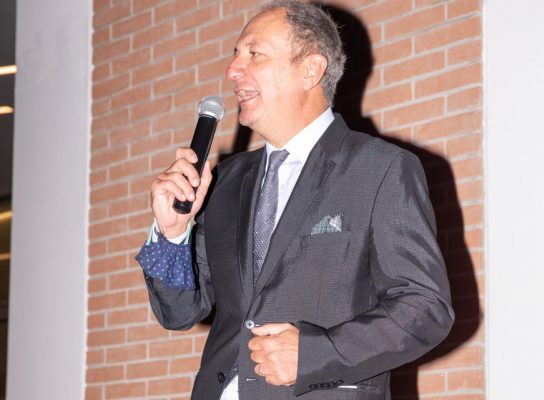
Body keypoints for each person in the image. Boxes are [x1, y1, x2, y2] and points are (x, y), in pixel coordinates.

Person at [136, 1, 454, 399]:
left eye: (254, 53)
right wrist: (172, 234)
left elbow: (425, 308)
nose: (232, 70)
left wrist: (315, 355)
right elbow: (180, 313)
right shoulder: (225, 180)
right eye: (235, 55)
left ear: (310, 70)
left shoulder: (380, 168)